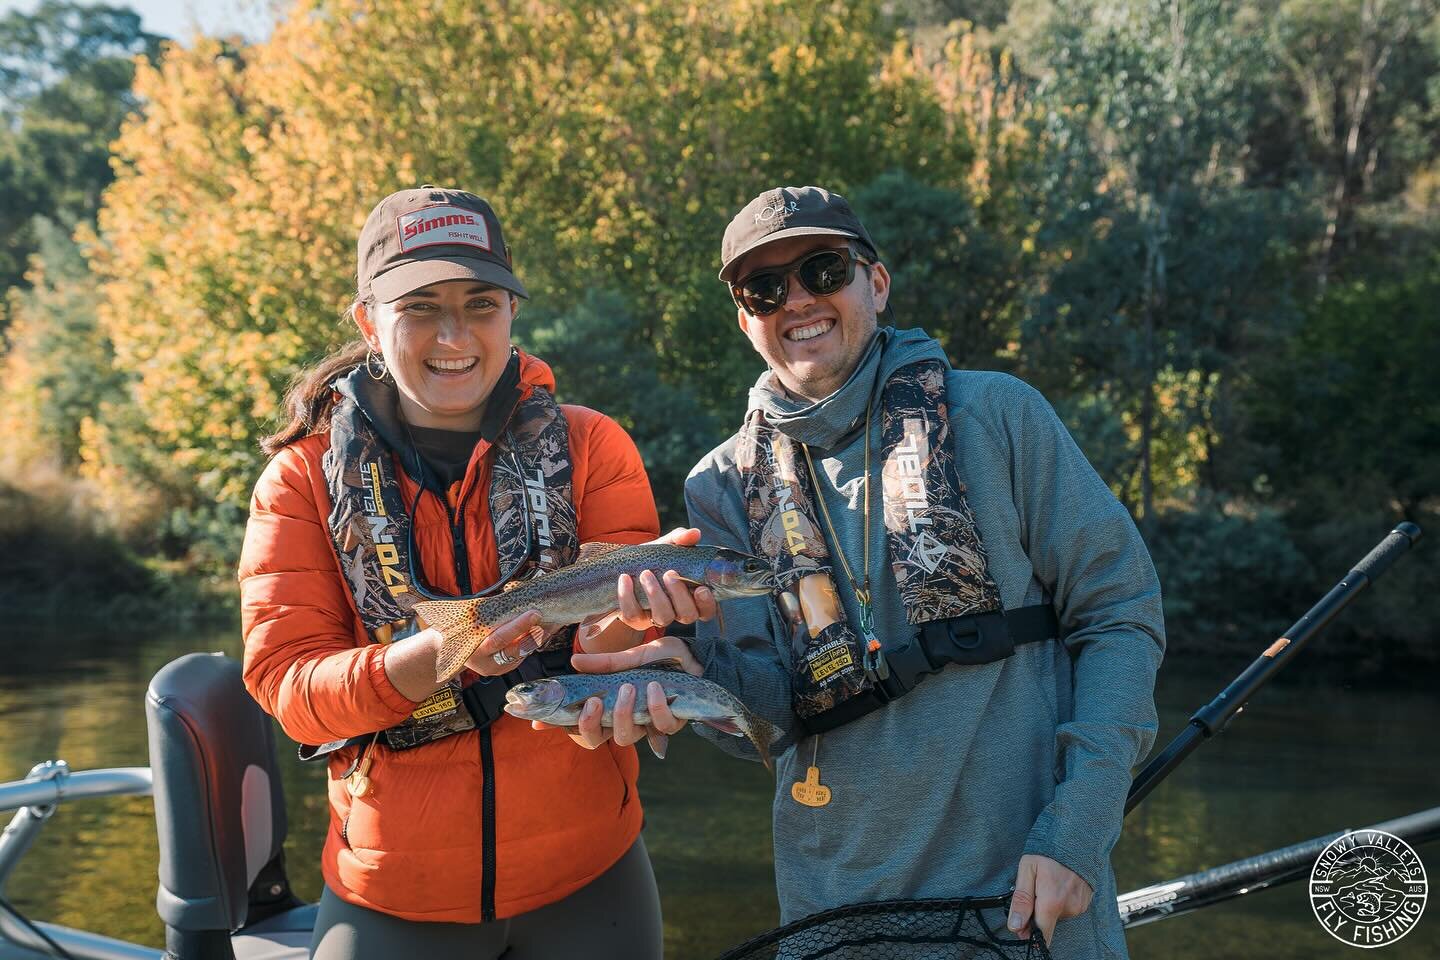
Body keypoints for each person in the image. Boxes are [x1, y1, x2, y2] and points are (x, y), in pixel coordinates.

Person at [567, 186, 1165, 959]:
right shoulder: (719, 486)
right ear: (744, 318)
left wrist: (1078, 829)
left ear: (874, 283)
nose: (798, 301)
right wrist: (687, 675)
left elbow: (1121, 614)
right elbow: (767, 718)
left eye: (823, 270)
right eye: (765, 288)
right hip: (833, 915)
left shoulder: (1000, 416)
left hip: (1025, 901)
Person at [238, 185, 711, 959]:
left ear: (511, 314)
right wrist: (444, 652)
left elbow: (609, 643)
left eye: (480, 302)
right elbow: (290, 693)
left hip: (592, 870)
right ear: (368, 320)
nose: (453, 333)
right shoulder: (300, 479)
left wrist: (646, 624)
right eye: (420, 305)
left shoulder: (595, 446)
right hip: (394, 888)